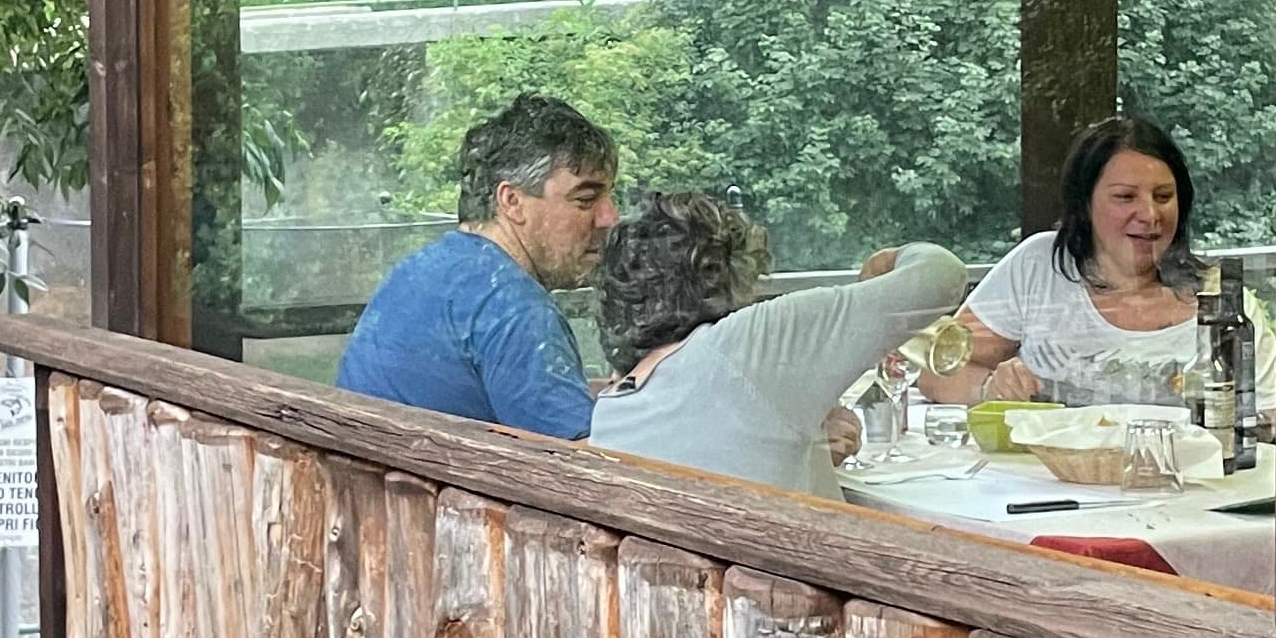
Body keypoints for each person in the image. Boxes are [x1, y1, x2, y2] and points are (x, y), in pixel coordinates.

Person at [589, 197, 970, 502]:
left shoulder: (617, 406)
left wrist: (807, 443)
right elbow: (942, 278)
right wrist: (894, 258)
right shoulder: (747, 343)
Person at [337, 93, 619, 436]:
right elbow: (586, 465)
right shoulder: (514, 308)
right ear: (512, 202)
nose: (609, 217)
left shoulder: (422, 269)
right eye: (586, 199)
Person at [920, 114, 1203, 405]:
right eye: (1126, 197)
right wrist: (989, 388)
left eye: (1163, 196)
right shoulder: (1038, 266)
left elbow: (1250, 421)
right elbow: (936, 372)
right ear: (1085, 203)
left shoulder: (1223, 302)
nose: (1150, 215)